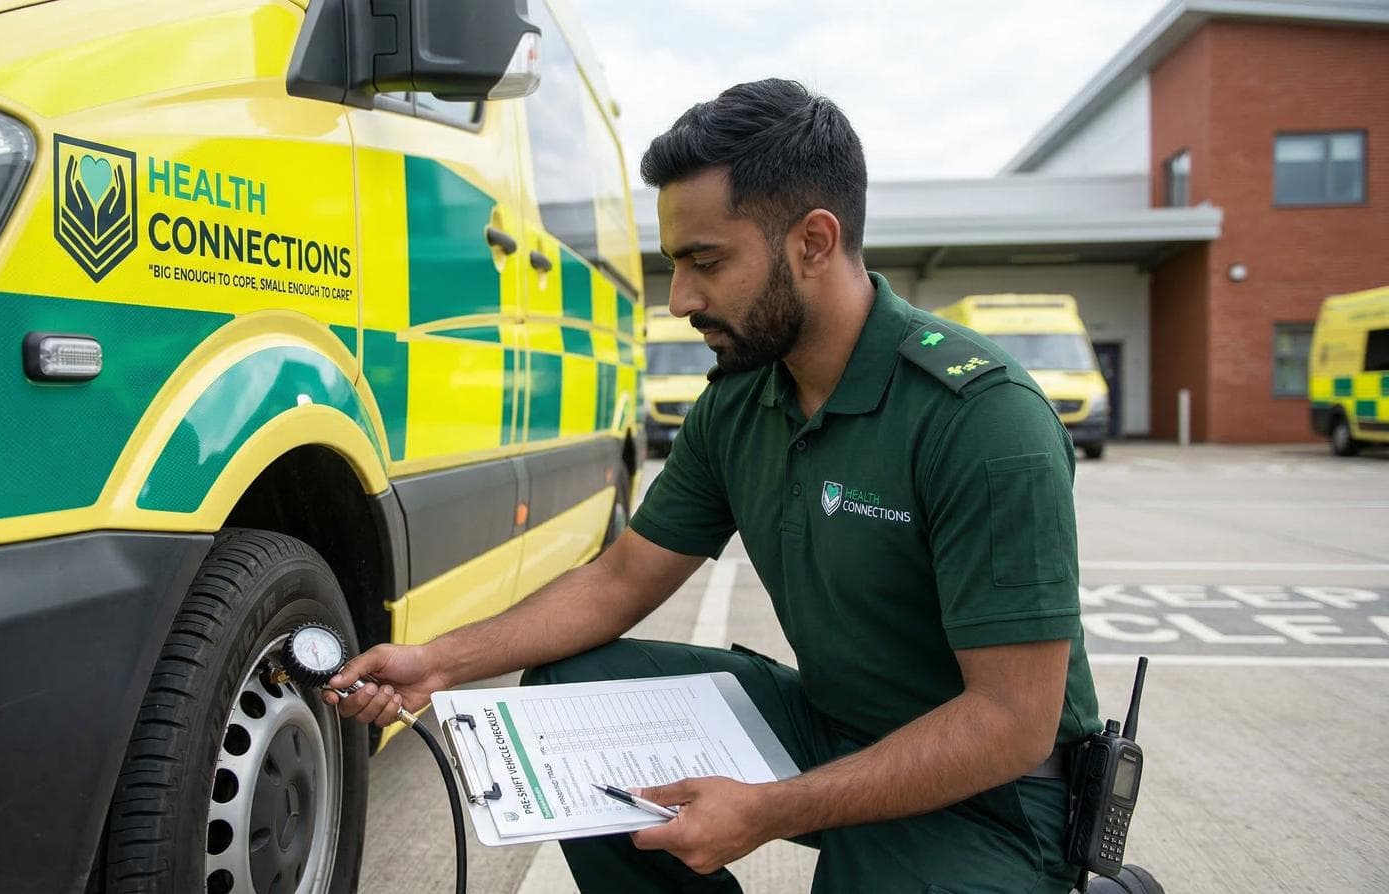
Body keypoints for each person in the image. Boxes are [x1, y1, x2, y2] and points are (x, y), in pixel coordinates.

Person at [324, 78, 1101, 893]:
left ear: (812, 243)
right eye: (674, 265)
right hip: (833, 724)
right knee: (570, 697)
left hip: (994, 793)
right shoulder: (743, 399)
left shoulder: (981, 419)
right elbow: (620, 579)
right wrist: (437, 663)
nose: (681, 299)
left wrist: (768, 808)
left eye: (706, 262)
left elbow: (1012, 724)